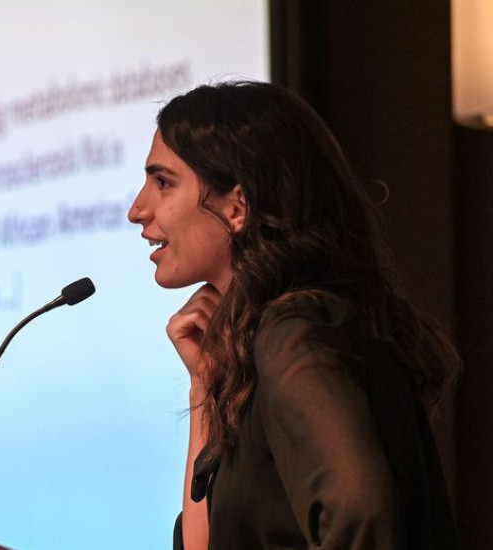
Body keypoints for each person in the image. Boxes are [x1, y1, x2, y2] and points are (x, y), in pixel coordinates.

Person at [127, 81, 458, 550]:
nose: (136, 210)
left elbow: (361, 511)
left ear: (236, 207)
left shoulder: (296, 330)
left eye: (163, 182)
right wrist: (205, 385)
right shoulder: (265, 343)